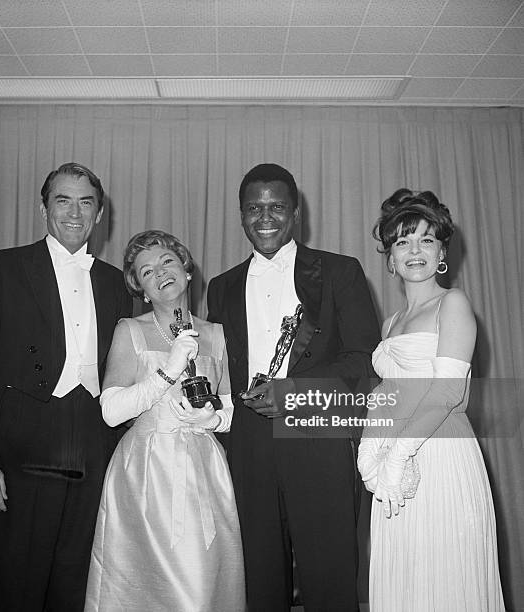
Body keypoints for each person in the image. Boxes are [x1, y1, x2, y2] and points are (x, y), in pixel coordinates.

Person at [0, 163, 132, 611]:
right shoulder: (1, 266)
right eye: (63, 201)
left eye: (86, 202)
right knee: (12, 586)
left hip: (93, 449)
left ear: (100, 213)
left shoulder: (113, 282)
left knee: (76, 587)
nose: (75, 212)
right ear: (43, 208)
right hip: (19, 453)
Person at [207, 163, 380, 611]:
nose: (265, 218)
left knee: (330, 575)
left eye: (277, 207)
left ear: (296, 212)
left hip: (317, 438)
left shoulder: (340, 271)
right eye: (254, 208)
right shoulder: (220, 287)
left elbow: (363, 360)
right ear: (240, 214)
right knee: (259, 580)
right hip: (247, 447)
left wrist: (289, 393)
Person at [357, 188, 505, 611]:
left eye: (425, 239)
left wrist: (400, 454)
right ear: (390, 258)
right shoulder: (390, 323)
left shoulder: (452, 302)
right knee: (405, 575)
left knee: (445, 576)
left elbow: (447, 392)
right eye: (402, 241)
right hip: (393, 466)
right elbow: (385, 396)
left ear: (442, 250)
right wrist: (371, 454)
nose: (414, 250)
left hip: (440, 452)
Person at [84, 230, 245, 612]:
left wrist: (213, 419)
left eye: (167, 262)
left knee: (203, 581)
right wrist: (167, 371)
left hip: (205, 470)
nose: (160, 273)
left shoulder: (216, 334)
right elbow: (111, 411)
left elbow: (230, 407)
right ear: (141, 289)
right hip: (145, 472)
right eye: (146, 271)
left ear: (187, 271)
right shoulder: (130, 330)